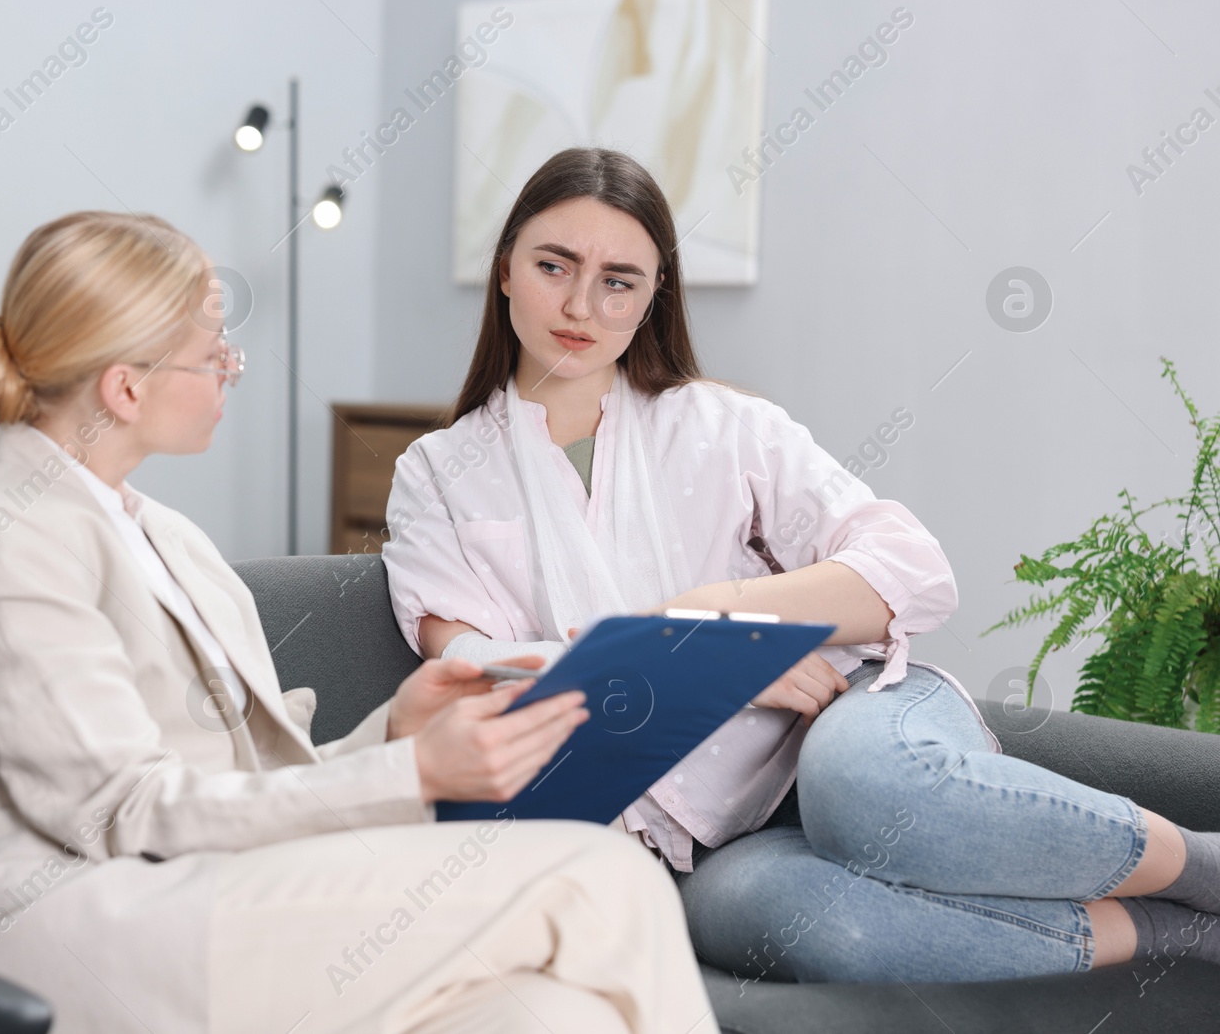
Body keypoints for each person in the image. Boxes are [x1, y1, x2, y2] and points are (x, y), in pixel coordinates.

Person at [380, 147, 1220, 983]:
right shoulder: (436, 473)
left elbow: (914, 568)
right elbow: (473, 674)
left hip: (849, 716)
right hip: (699, 841)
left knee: (857, 785)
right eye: (553, 265)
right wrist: (702, 664)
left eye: (619, 280)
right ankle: (1183, 935)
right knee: (778, 923)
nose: (579, 304)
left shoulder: (719, 424)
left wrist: (727, 615)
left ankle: (1205, 868)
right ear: (504, 270)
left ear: (650, 300)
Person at [0, 209, 720, 1034]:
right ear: (125, 385)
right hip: (85, 927)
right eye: (213, 351)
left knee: (556, 1016)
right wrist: (419, 775)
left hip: (207, 889)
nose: (231, 369)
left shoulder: (168, 538)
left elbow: (234, 786)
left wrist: (395, 731)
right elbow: (128, 810)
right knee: (602, 876)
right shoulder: (10, 534)